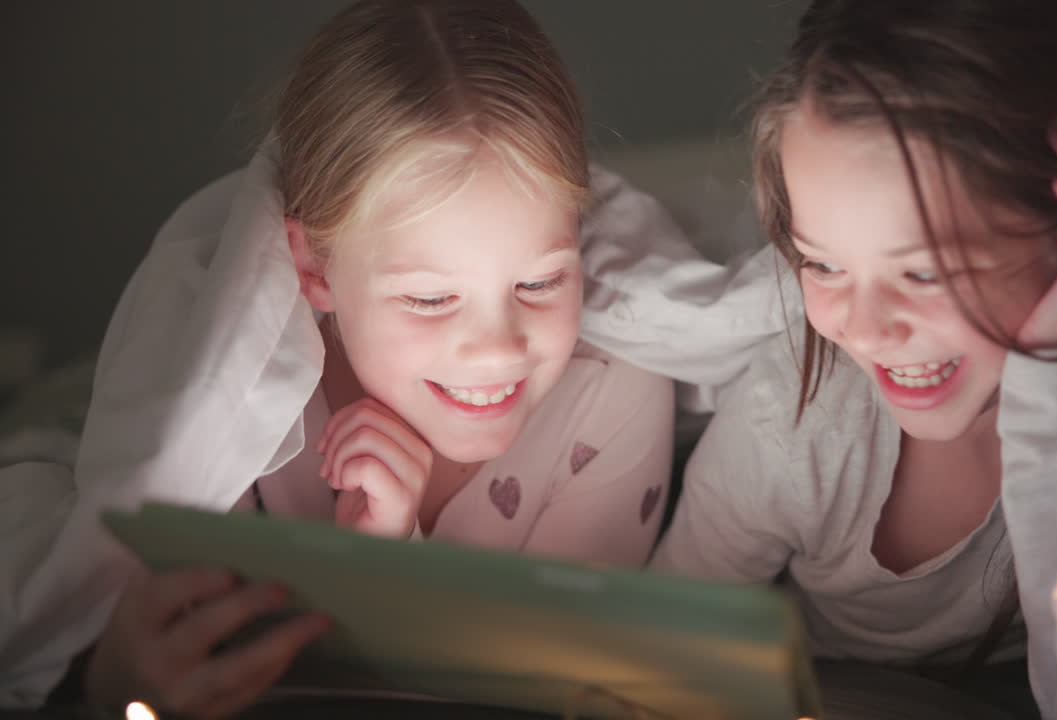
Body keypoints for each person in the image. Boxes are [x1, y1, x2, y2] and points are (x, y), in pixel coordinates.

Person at [0, 0, 673, 715]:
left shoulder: (612, 391)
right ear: (315, 270)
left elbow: (562, 687)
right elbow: (164, 661)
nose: (497, 348)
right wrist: (112, 685)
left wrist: (387, 563)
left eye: (540, 282)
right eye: (428, 299)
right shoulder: (239, 407)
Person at [645, 0, 1057, 717]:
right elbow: (659, 655)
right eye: (821, 265)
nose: (866, 327)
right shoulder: (790, 427)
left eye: (924, 273)